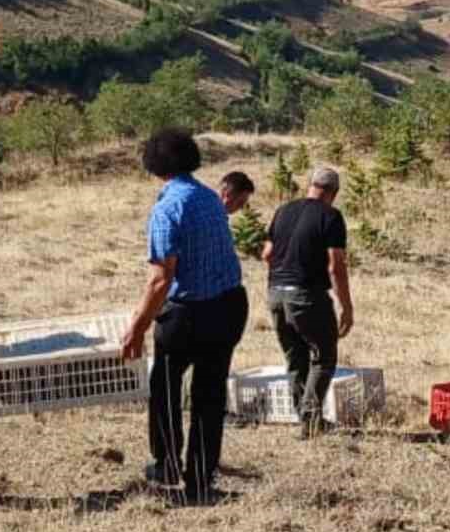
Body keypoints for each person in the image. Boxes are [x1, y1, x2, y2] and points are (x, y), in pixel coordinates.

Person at [120, 129, 248, 502]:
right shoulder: (210, 197)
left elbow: (160, 281)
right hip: (229, 306)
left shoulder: (167, 209)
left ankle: (167, 465)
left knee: (164, 386)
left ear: (154, 166)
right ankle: (201, 478)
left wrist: (137, 327)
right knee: (209, 394)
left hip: (189, 314)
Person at [261, 167, 353, 439]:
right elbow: (335, 264)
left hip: (276, 293)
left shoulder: (283, 210)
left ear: (311, 185)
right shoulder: (331, 216)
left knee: (295, 358)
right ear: (333, 193)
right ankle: (311, 421)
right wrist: (346, 305)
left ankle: (305, 417)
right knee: (324, 357)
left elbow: (267, 254)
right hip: (307, 295)